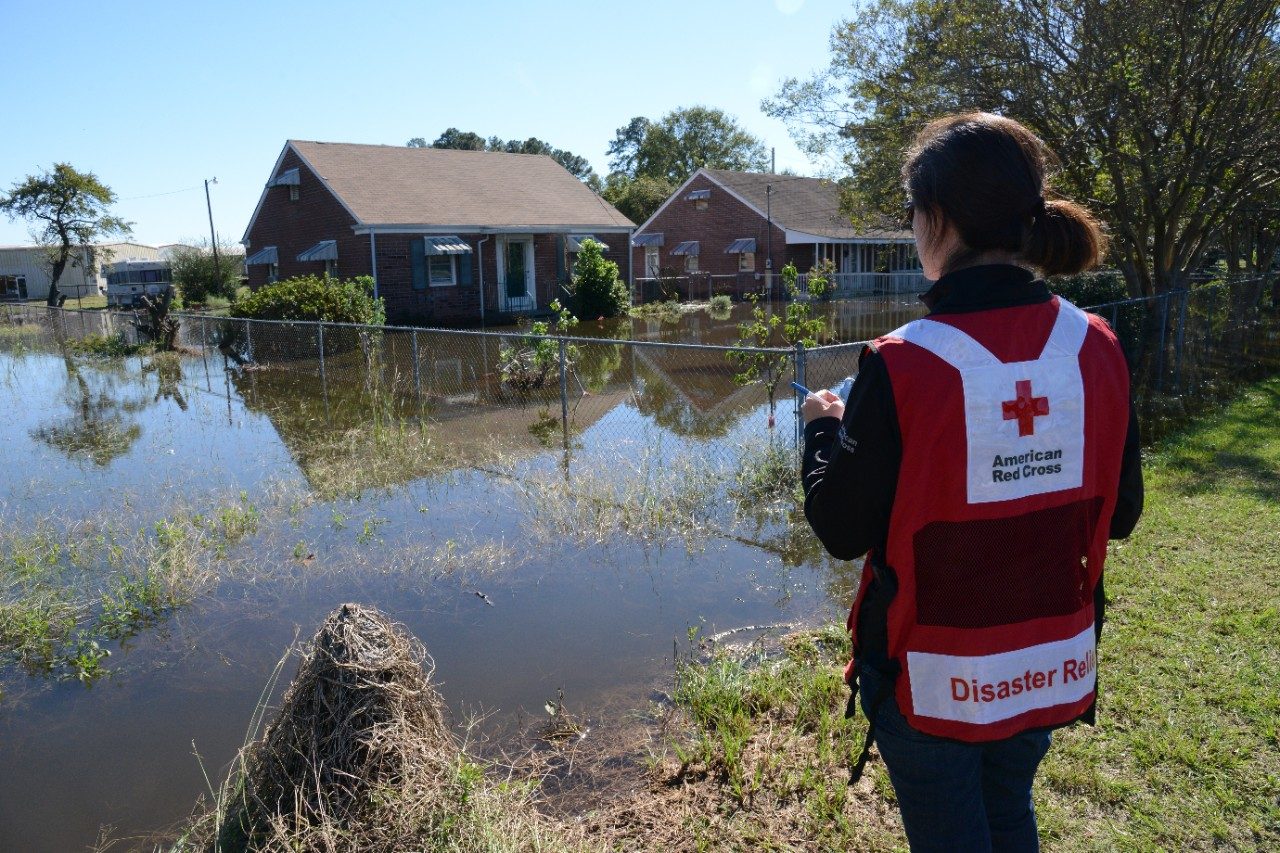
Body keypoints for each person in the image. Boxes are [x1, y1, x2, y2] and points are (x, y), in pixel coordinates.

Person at [800, 113, 1143, 852]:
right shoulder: (1099, 347)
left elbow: (839, 527)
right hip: (1049, 666)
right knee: (1009, 810)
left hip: (934, 686)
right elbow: (1121, 515)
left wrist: (822, 429)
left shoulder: (902, 362)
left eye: (912, 212)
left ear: (939, 220)